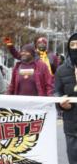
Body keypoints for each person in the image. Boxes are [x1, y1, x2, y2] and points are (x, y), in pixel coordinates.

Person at [54, 33, 77, 163]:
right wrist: (61, 104)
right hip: (71, 127)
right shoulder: (62, 70)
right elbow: (56, 91)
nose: (75, 48)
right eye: (72, 45)